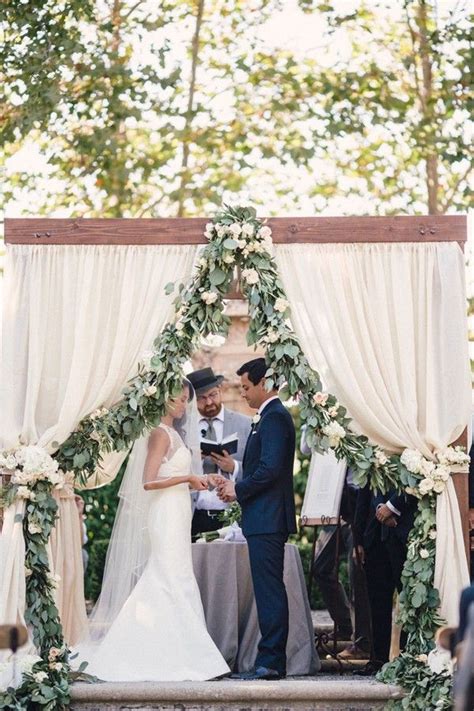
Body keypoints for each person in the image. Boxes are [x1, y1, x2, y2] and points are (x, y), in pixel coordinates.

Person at [74, 381, 229, 681]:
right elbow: (147, 482)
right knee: (168, 575)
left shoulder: (174, 434)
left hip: (178, 511)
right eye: (179, 399)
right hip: (166, 513)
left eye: (185, 400)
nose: (184, 405)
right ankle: (181, 655)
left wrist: (199, 479)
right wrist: (186, 478)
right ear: (163, 400)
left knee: (175, 574)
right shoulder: (159, 434)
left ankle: (181, 651)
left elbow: (174, 474)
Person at [216, 357, 296, 680]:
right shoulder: (267, 418)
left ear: (265, 384)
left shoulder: (275, 418)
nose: (244, 394)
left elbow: (270, 470)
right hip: (262, 519)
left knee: (270, 591)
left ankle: (272, 661)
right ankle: (268, 658)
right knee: (267, 590)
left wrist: (238, 490)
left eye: (247, 387)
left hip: (268, 519)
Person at [352, 482, 417, 675]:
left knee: (409, 599)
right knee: (377, 600)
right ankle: (378, 659)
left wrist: (393, 507)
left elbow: (417, 477)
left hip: (404, 529)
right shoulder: (369, 452)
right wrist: (358, 540)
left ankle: (408, 660)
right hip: (375, 534)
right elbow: (365, 492)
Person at [187, 367, 251, 537]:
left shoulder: (245, 424)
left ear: (220, 390)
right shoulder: (185, 429)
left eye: (213, 395)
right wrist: (195, 461)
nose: (208, 402)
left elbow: (258, 470)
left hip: (236, 517)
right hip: (194, 514)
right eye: (201, 398)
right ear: (192, 400)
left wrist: (234, 467)